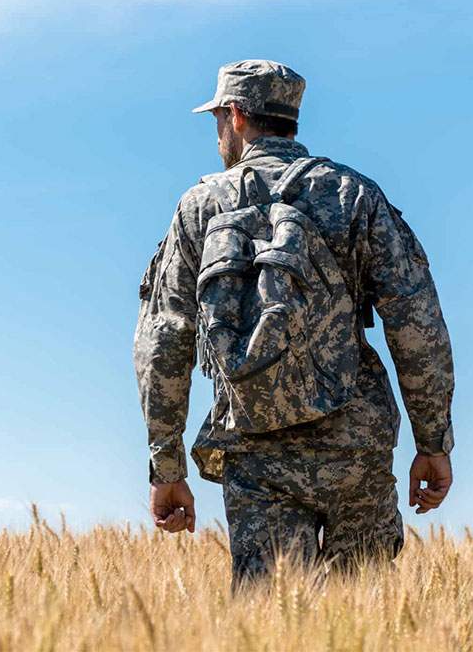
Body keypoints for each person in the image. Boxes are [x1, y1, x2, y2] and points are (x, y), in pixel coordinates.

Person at [134, 60, 455, 580]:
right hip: (356, 440)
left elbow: (164, 341)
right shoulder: (354, 196)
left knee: (271, 621)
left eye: (218, 118)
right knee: (367, 616)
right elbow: (417, 325)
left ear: (236, 116)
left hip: (255, 449)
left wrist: (166, 467)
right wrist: (433, 441)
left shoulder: (201, 206)